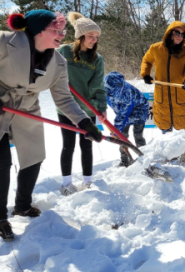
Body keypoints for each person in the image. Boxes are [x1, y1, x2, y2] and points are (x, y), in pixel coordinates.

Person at [0, 10, 103, 241]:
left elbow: (64, 99)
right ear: (38, 31)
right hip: (0, 103)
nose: (61, 35)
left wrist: (85, 122)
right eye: (56, 30)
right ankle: (0, 219)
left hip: (25, 108)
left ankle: (23, 206)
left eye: (62, 30)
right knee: (2, 162)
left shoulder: (58, 62)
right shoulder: (6, 42)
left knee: (34, 155)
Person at [57, 12, 106, 195]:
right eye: (90, 36)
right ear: (80, 35)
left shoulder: (97, 59)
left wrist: (100, 107)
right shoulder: (63, 52)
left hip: (87, 109)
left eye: (96, 37)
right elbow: (49, 71)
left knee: (87, 144)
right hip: (66, 107)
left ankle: (87, 182)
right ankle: (66, 183)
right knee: (68, 145)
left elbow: (98, 87)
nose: (94, 40)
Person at [140, 20, 185, 164]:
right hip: (163, 96)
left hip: (181, 96)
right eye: (177, 32)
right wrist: (146, 74)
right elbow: (146, 61)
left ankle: (183, 157)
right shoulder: (156, 48)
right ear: (170, 33)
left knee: (183, 130)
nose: (179, 36)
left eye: (182, 34)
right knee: (165, 129)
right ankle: (168, 157)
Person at [104, 71, 149, 168]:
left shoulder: (126, 93)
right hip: (123, 111)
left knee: (138, 135)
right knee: (122, 137)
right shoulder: (106, 90)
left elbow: (123, 115)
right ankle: (125, 161)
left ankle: (143, 159)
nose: (109, 91)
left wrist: (116, 130)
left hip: (139, 109)